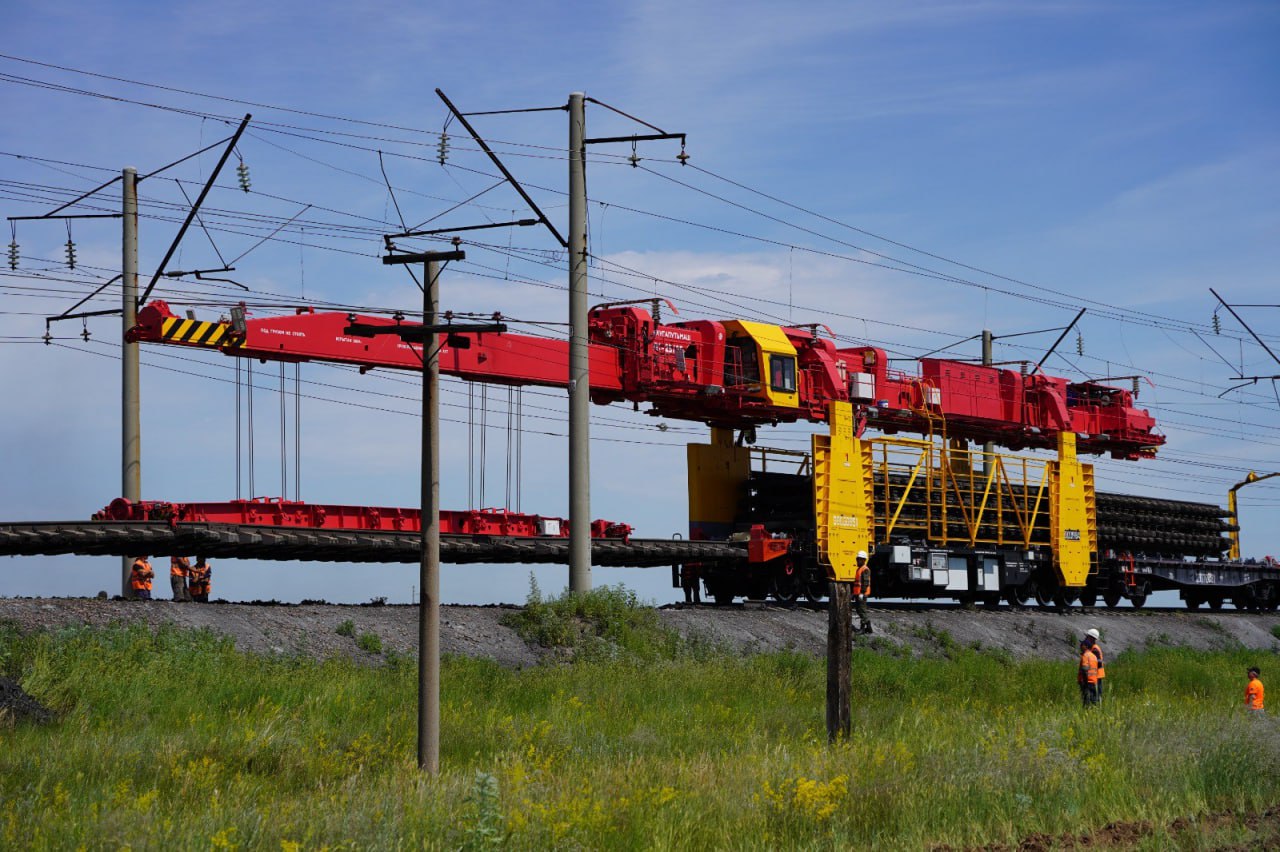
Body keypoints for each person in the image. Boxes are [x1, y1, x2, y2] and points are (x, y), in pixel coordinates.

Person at [852, 550, 872, 635]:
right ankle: (868, 628)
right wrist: (854, 593)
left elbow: (865, 582)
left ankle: (863, 629)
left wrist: (862, 593)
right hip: (858, 593)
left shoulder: (865, 569)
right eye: (857, 559)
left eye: (860, 559)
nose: (858, 561)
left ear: (864, 560)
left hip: (862, 594)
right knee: (859, 610)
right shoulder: (859, 569)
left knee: (862, 610)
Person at [1078, 639, 1100, 707]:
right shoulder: (1093, 656)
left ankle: (1086, 713)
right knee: (1093, 700)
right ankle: (1095, 713)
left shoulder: (1085, 655)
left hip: (1086, 681)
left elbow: (1085, 669)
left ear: (1086, 646)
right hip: (1093, 681)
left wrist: (1084, 682)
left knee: (1086, 701)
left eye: (1082, 645)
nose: (1080, 646)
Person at [1086, 628, 1105, 703]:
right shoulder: (1093, 648)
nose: (1086, 638)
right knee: (1095, 694)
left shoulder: (1095, 649)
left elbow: (1099, 663)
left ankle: (1096, 709)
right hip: (1096, 675)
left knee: (1095, 695)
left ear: (1091, 638)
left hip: (1096, 675)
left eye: (1087, 637)